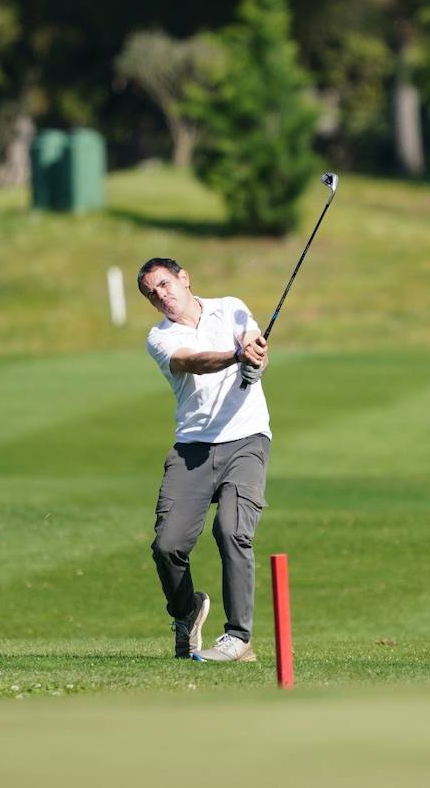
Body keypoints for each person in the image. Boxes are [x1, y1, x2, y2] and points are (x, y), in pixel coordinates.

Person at [137, 256, 270, 662]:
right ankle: (186, 611)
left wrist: (256, 357)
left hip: (246, 440)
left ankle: (238, 638)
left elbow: (253, 340)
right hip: (192, 449)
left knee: (231, 530)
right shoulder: (159, 338)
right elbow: (191, 362)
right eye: (151, 293)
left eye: (163, 284)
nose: (160, 295)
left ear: (184, 278)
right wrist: (235, 357)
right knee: (167, 546)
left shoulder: (230, 306)